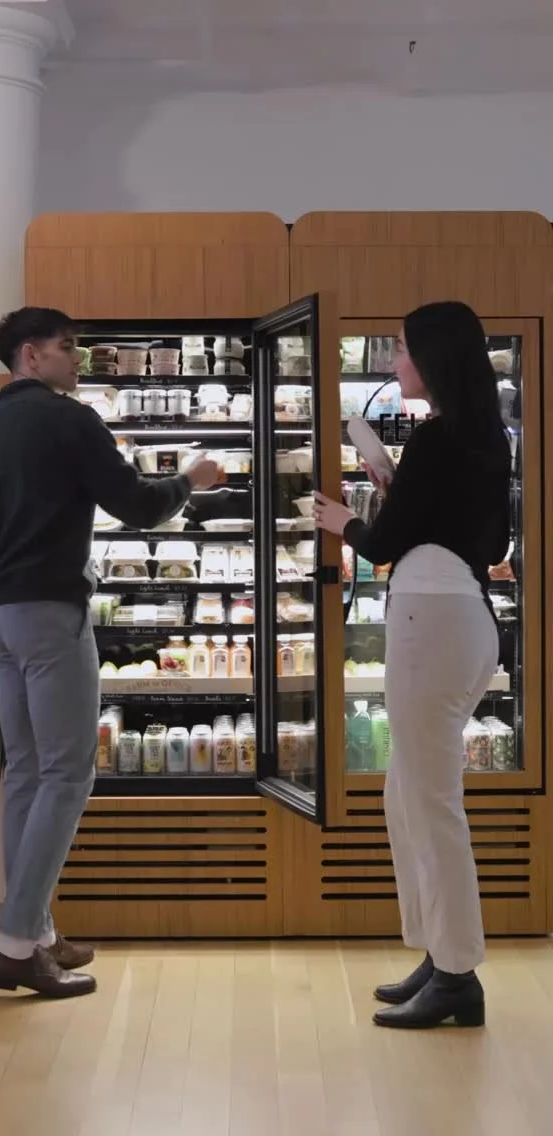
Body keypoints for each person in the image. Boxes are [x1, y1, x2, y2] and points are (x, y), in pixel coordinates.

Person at [0, 307, 220, 999]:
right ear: (31, 356)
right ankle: (14, 945)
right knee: (67, 774)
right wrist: (191, 479)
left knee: (27, 774)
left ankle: (37, 932)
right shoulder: (70, 420)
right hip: (50, 615)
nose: (79, 358)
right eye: (68, 347)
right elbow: (140, 507)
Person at [315, 301, 511, 1030]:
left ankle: (457, 975)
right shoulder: (483, 437)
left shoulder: (437, 438)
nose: (394, 360)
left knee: (427, 804)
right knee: (409, 796)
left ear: (432, 357)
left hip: (431, 622)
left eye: (400, 348)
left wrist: (342, 520)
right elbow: (489, 544)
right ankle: (439, 951)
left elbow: (380, 544)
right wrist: (397, 487)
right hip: (463, 619)